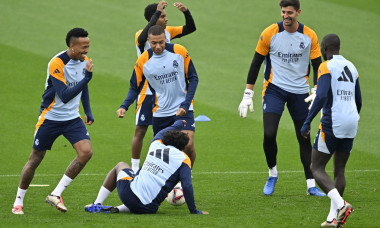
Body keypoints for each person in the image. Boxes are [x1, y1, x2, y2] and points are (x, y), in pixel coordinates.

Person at [238, 0, 325, 196]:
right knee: (269, 133)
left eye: (290, 13)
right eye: (283, 12)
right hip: (274, 89)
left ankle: (311, 184)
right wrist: (247, 94)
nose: (286, 16)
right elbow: (256, 63)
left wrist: (317, 89)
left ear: (299, 13)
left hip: (300, 92)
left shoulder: (309, 35)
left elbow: (318, 65)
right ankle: (272, 174)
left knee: (303, 136)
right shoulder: (270, 32)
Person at [11, 28, 94, 215]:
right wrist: (87, 78)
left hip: (72, 118)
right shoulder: (57, 64)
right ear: (71, 46)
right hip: (50, 118)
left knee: (86, 152)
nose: (86, 51)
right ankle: (18, 201)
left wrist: (87, 111)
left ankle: (56, 194)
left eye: (88, 46)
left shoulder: (84, 61)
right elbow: (64, 95)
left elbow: (83, 87)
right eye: (83, 47)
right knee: (36, 159)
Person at [120, 1, 196, 173]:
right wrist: (156, 13)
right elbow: (141, 40)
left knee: (171, 138)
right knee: (140, 130)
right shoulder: (142, 34)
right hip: (147, 91)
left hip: (166, 89)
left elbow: (190, 28)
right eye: (162, 15)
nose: (166, 18)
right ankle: (134, 168)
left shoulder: (167, 33)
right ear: (153, 18)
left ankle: (174, 170)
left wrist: (186, 12)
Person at [84, 120, 208, 215]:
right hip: (149, 208)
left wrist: (178, 123)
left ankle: (97, 204)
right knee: (139, 183)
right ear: (182, 147)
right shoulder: (184, 159)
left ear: (166, 140)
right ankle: (120, 208)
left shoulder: (155, 144)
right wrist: (194, 210)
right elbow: (186, 185)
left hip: (128, 195)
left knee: (121, 165)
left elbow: (162, 132)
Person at [301, 34, 361, 228]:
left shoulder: (325, 66)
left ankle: (342, 204)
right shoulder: (352, 67)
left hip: (332, 121)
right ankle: (332, 218)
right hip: (352, 121)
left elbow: (321, 96)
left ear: (324, 47)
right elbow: (358, 101)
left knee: (316, 167)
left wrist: (307, 121)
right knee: (339, 169)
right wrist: (349, 118)